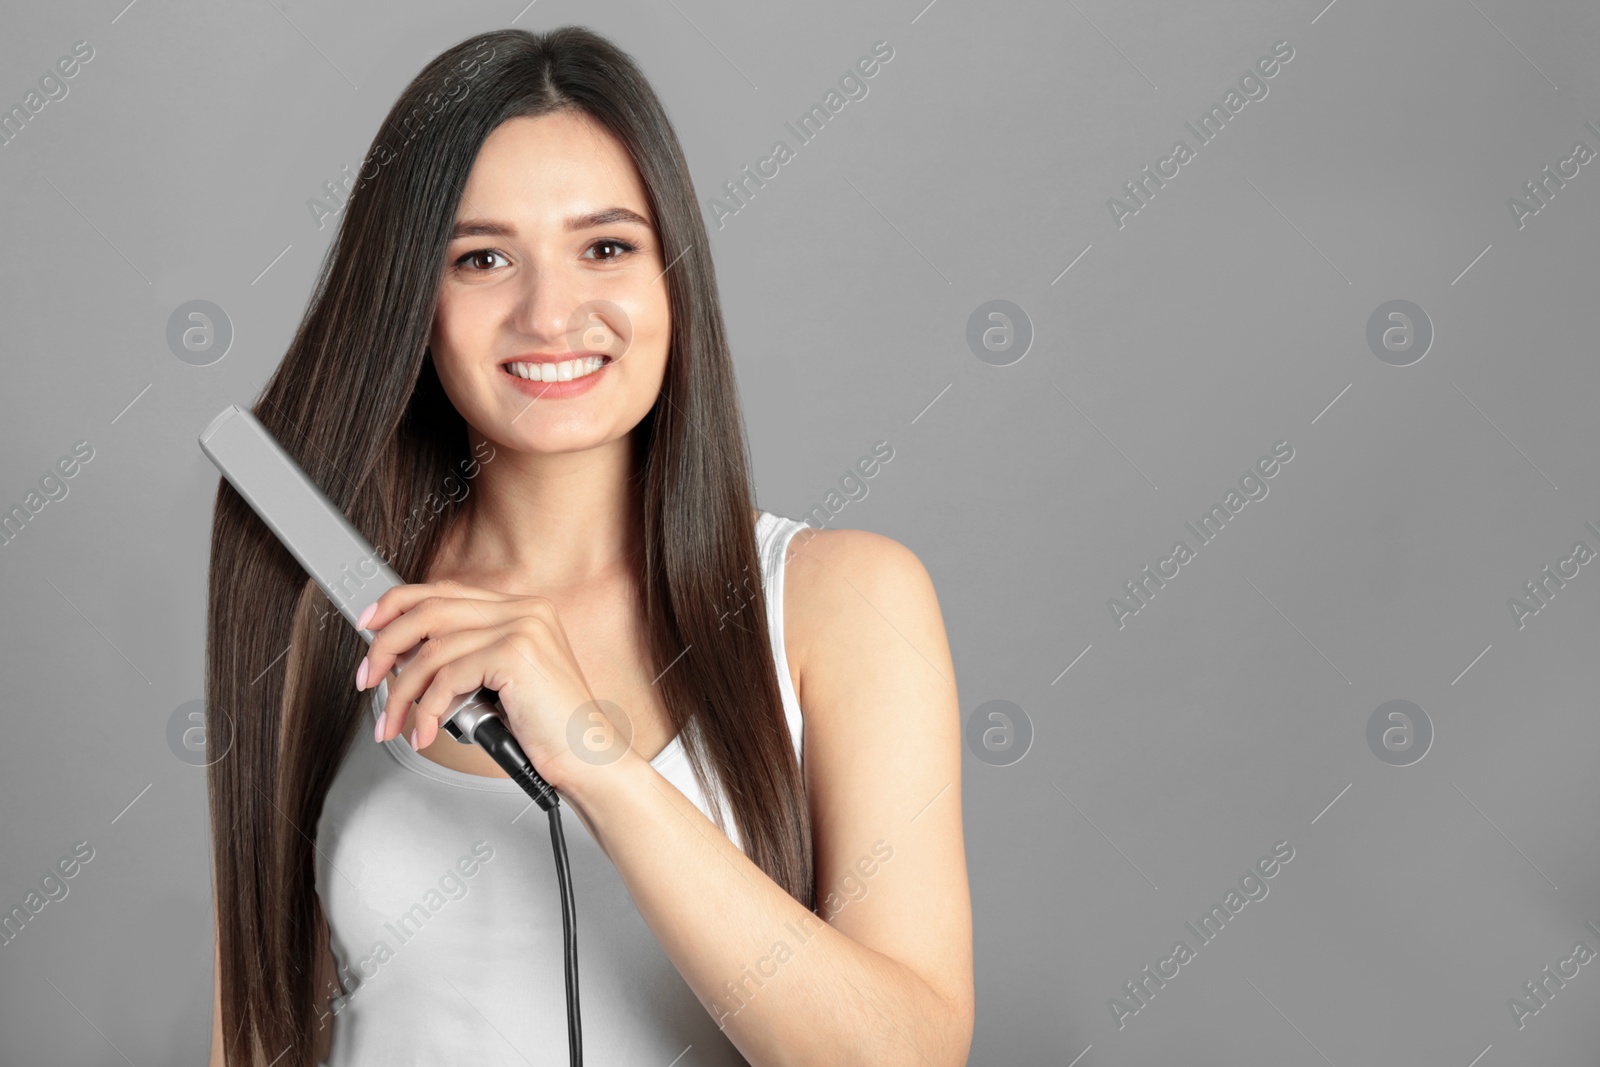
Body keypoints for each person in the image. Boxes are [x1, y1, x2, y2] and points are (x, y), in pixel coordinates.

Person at [205, 25, 972, 1066]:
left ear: (672, 277)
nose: (550, 311)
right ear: (412, 303)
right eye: (481, 258)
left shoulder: (845, 601)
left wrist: (595, 758)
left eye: (605, 246)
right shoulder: (326, 597)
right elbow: (254, 1026)